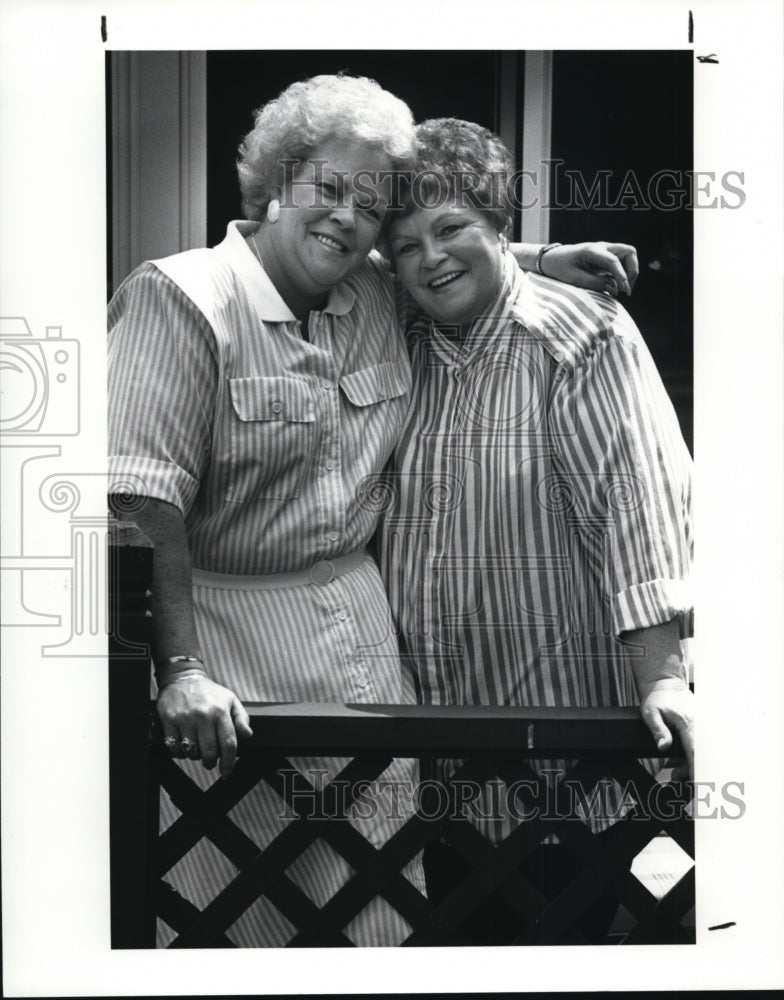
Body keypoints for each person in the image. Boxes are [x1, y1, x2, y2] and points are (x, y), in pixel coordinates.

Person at [109, 74, 641, 947]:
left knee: (377, 915)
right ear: (277, 179)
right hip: (231, 656)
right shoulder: (182, 296)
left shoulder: (369, 295)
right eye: (329, 187)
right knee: (238, 917)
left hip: (366, 657)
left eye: (370, 203)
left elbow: (448, 262)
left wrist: (542, 257)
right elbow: (142, 498)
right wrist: (182, 671)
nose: (348, 218)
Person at [376, 118, 694, 945]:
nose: (429, 259)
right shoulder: (399, 328)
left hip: (561, 748)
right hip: (437, 755)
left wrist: (663, 676)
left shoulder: (581, 336)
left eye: (452, 231)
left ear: (497, 225)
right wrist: (536, 254)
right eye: (406, 244)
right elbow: (309, 250)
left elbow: (636, 504)